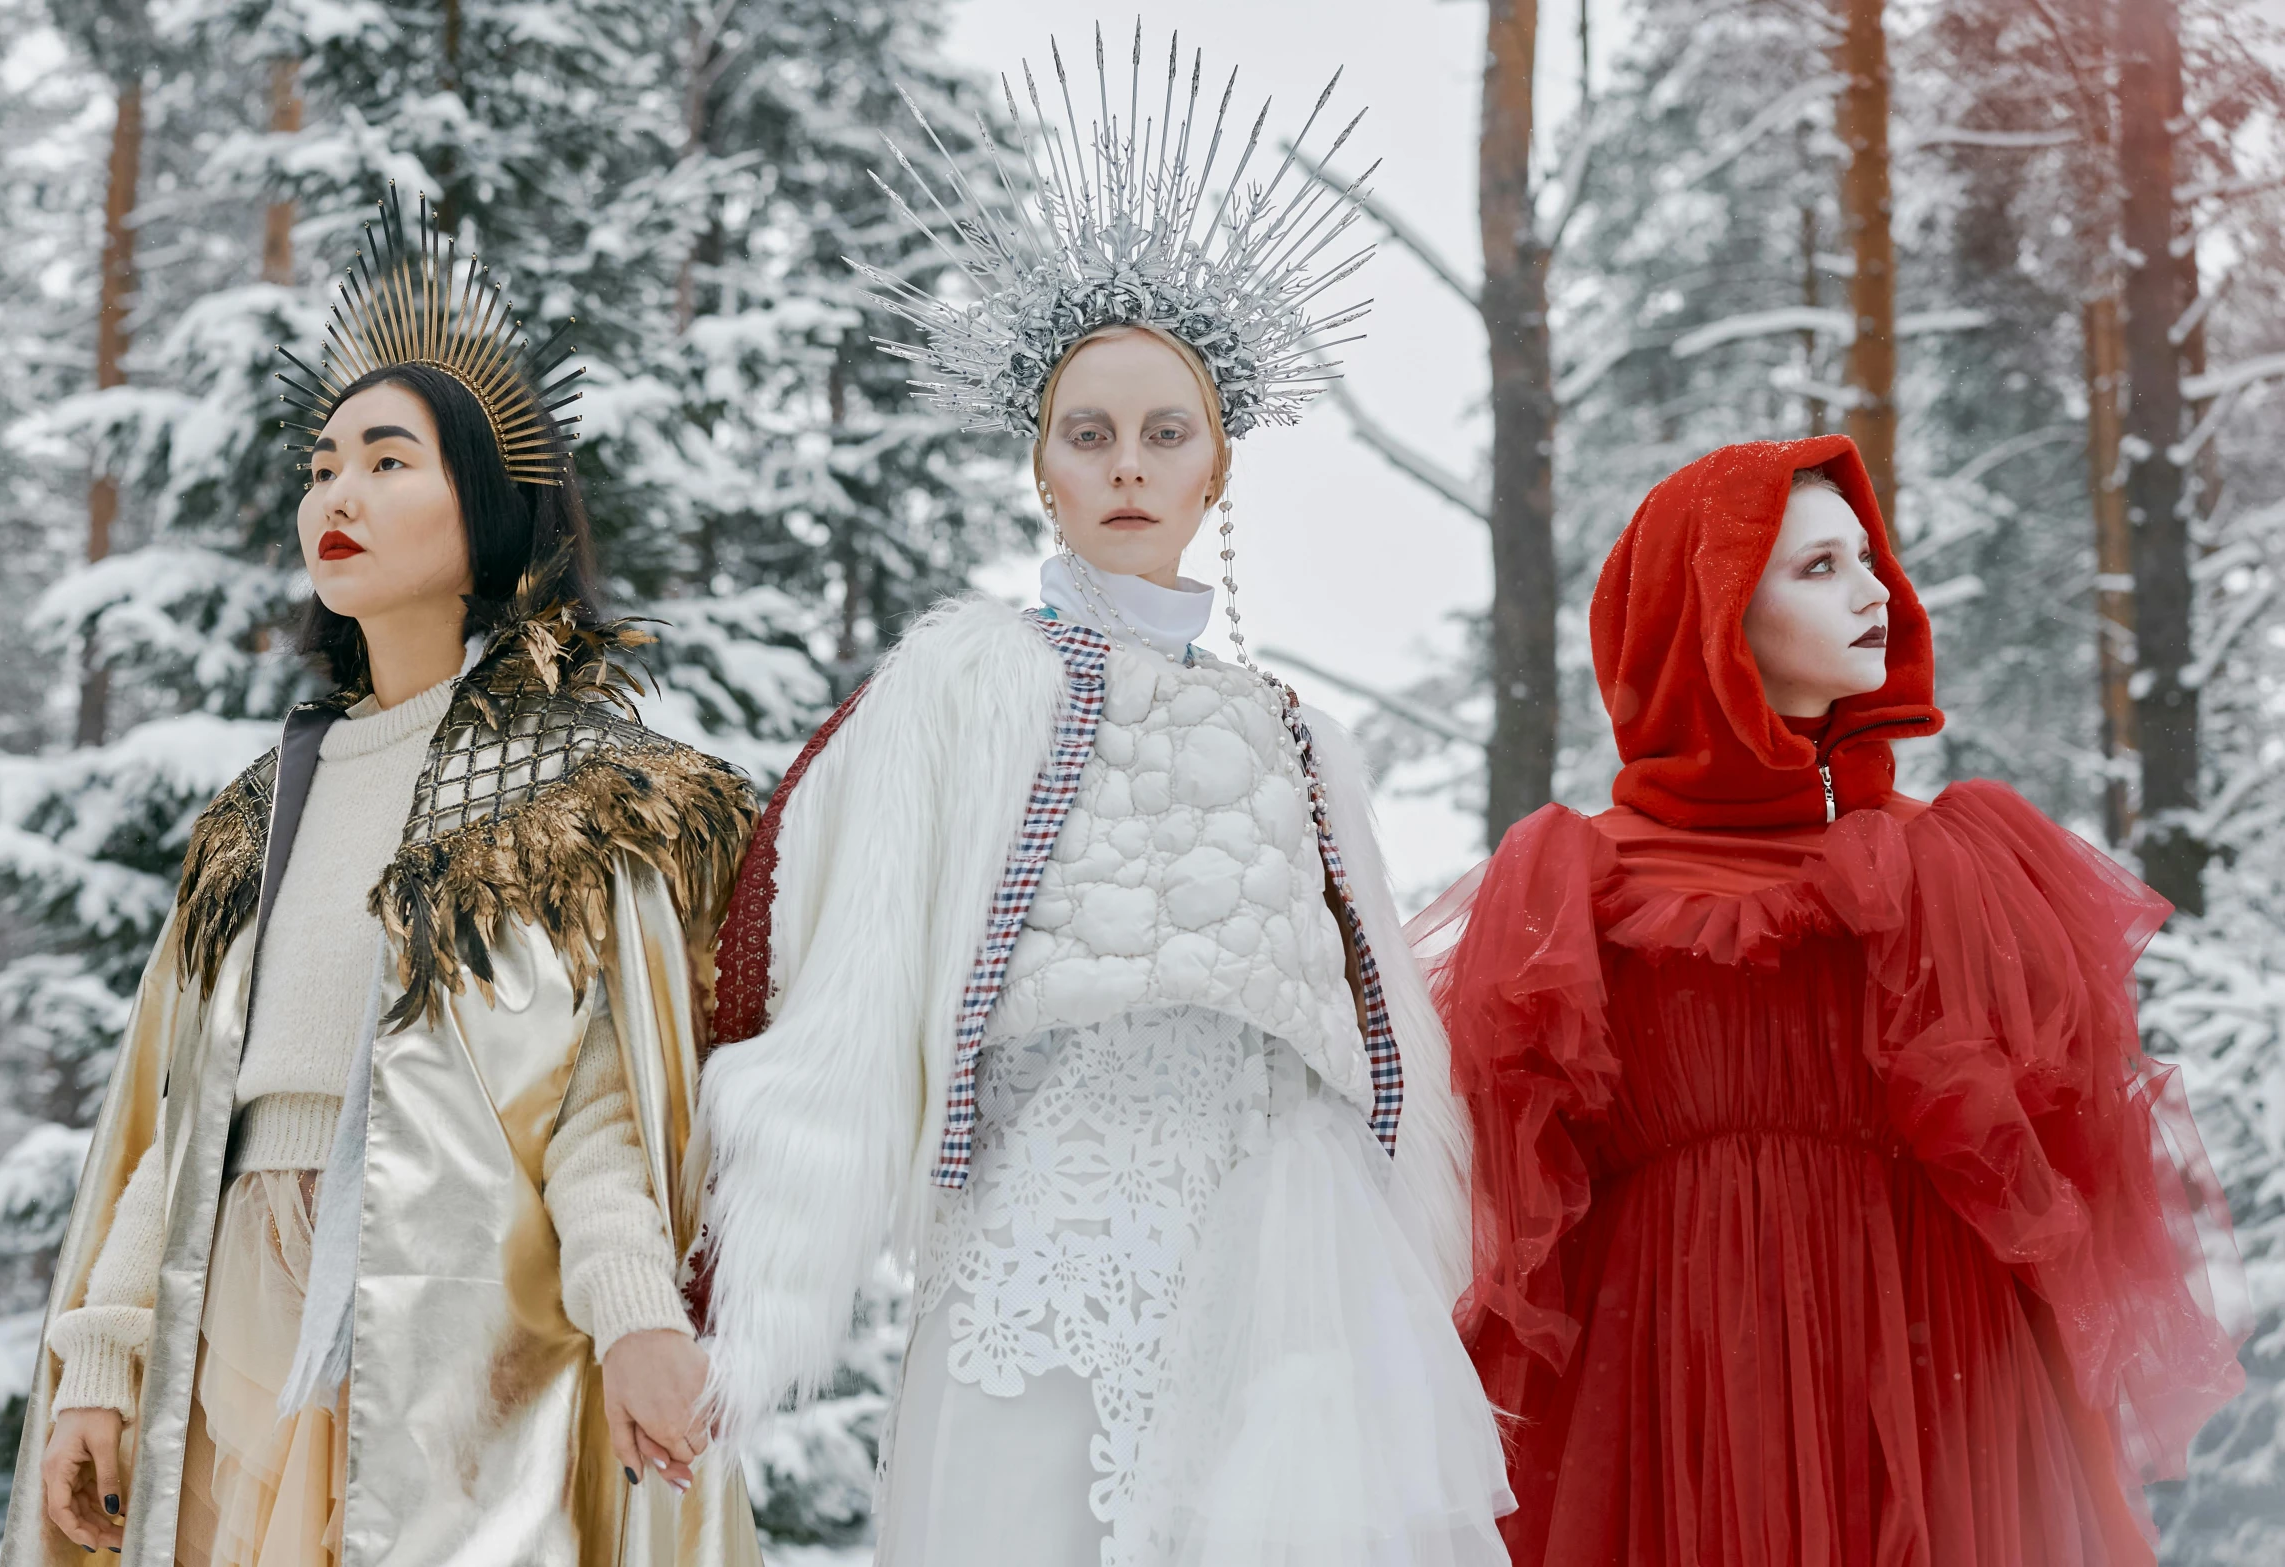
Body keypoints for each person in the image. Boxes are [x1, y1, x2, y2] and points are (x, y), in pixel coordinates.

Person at [683, 30, 1512, 1567]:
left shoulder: (1295, 732)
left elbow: (1384, 1027)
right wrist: (741, 1290)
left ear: (1215, 472)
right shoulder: (963, 683)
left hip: (1282, 1250)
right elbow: (850, 982)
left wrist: (1405, 1264)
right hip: (1040, 1225)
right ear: (1043, 472)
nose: (1127, 464)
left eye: (1164, 432)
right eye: (1089, 433)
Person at [3, 192, 764, 1566]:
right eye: (321, 463)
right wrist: (104, 1366)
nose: (335, 495)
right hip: (227, 1333)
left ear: (488, 500)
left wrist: (641, 1311)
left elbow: (602, 1114)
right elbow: (177, 1124)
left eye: (387, 459)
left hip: (458, 1345)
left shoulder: (585, 800)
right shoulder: (257, 814)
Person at [1429, 435, 2246, 1567]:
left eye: (1868, 559)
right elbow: (1509, 1225)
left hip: (1937, 1381)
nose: (1875, 593)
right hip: (1683, 1384)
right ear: (1707, 614)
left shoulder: (1955, 864)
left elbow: (2062, 1176)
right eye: (1817, 567)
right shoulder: (1573, 883)